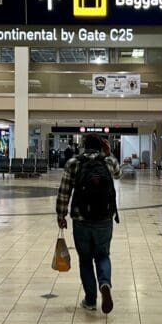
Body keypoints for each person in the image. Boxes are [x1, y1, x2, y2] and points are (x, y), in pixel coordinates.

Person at [56, 134, 122, 314]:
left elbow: (64, 191)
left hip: (81, 219)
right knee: (103, 255)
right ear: (102, 145)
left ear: (83, 146)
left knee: (85, 259)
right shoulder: (107, 162)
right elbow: (118, 173)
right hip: (104, 218)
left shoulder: (73, 163)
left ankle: (91, 300)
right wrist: (110, 154)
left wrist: (61, 215)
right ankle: (105, 285)